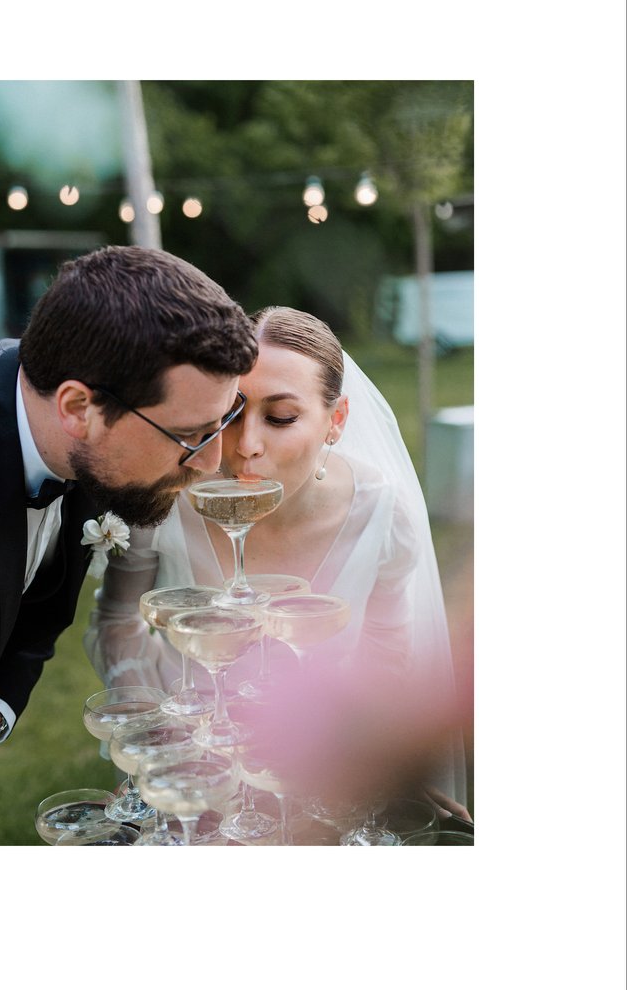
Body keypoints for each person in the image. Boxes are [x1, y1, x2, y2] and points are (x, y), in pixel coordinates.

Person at [85, 306, 468, 816]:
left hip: (321, 761)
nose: (247, 446)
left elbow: (386, 656)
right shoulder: (164, 500)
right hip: (191, 761)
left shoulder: (382, 514)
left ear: (337, 421)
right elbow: (117, 620)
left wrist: (378, 761)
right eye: (231, 414)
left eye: (281, 418)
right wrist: (155, 744)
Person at [0, 244, 258, 844]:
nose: (211, 464)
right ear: (78, 408)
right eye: (191, 435)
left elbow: (40, 608)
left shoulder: (88, 436)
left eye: (224, 422)